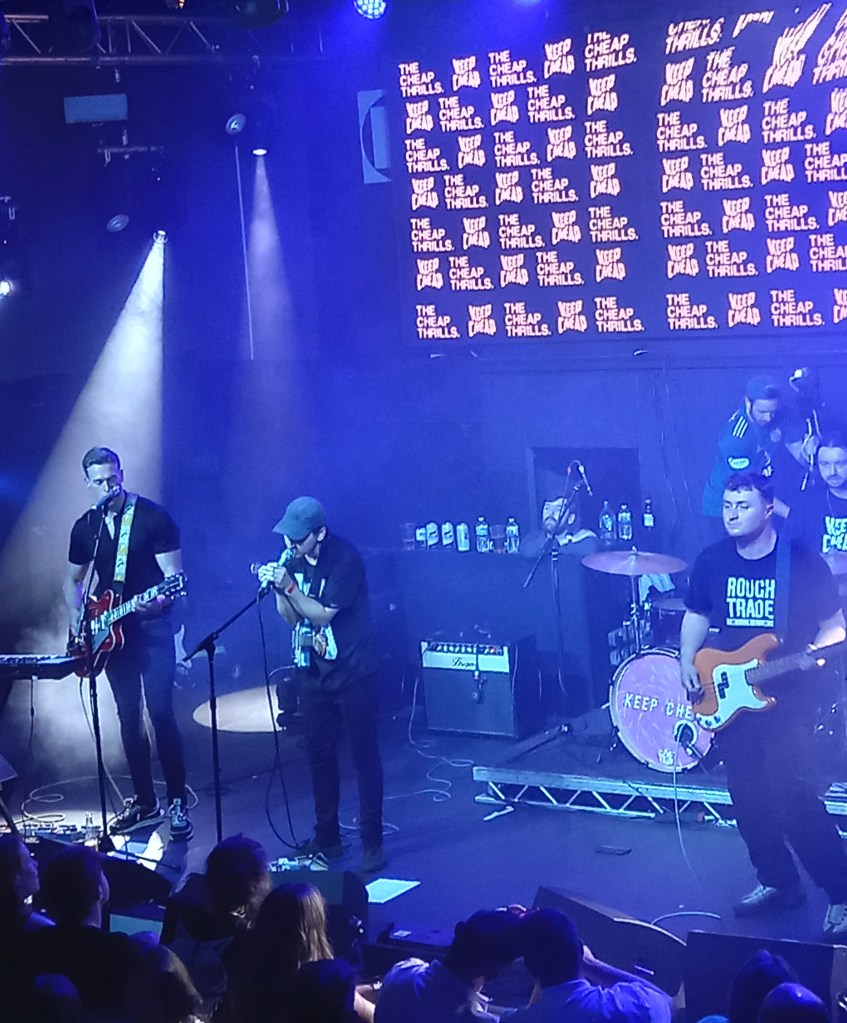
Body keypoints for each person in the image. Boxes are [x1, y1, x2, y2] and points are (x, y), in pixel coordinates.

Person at [681, 472, 847, 939]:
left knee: (792, 797)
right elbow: (697, 613)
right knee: (747, 797)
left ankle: (842, 891)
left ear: (768, 508)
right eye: (727, 505)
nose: (732, 514)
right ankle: (778, 881)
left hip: (790, 698)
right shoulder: (712, 560)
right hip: (733, 697)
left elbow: (835, 626)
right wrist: (686, 660)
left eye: (743, 505)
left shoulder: (801, 562)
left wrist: (817, 651)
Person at [63, 446, 191, 841]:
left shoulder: (153, 517)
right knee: (128, 717)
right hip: (113, 636)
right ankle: (145, 801)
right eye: (99, 482)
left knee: (161, 712)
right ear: (87, 483)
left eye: (113, 479)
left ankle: (177, 801)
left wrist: (158, 602)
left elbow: (174, 578)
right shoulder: (86, 527)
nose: (108, 487)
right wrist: (78, 618)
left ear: (122, 474)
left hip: (153, 630)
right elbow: (72, 580)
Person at [268, 496, 384, 873]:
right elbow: (291, 617)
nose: (290, 544)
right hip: (314, 672)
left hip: (353, 670)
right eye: (287, 537)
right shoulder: (293, 559)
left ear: (319, 533)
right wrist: (280, 590)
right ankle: (327, 838)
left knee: (364, 756)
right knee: (318, 754)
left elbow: (321, 615)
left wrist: (289, 587)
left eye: (297, 538)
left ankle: (372, 841)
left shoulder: (344, 560)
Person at [228, 881, 374, 1023]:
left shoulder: (248, 975)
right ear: (314, 927)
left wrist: (354, 992)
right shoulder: (326, 981)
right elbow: (376, 1015)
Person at [505, 907, 671, 1023]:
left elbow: (537, 1010)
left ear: (530, 967)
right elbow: (667, 1004)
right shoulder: (639, 1007)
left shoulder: (517, 1021)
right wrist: (591, 964)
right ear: (580, 951)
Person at [375, 908, 525, 1023]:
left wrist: (502, 916)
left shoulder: (401, 972)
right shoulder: (476, 1019)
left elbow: (479, 931)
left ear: (458, 932)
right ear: (494, 973)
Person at [702, 375, 809, 527]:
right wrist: (791, 515)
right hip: (727, 507)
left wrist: (813, 457)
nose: (769, 418)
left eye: (772, 411)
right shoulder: (735, 438)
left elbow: (798, 449)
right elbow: (751, 486)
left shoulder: (780, 414)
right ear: (748, 402)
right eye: (762, 411)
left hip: (762, 499)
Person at [790, 431, 847, 566]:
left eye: (840, 464)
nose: (832, 472)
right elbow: (788, 548)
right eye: (825, 464)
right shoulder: (807, 502)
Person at [519, 495, 599, 560]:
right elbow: (528, 551)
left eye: (558, 509)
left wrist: (554, 548)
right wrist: (555, 544)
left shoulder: (583, 537)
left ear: (570, 518)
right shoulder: (534, 537)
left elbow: (590, 548)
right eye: (547, 508)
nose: (550, 513)